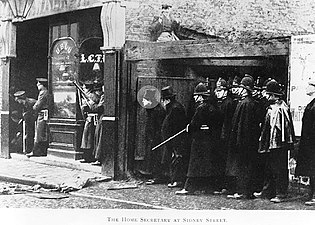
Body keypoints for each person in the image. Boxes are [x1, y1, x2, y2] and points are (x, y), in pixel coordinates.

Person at [176, 83, 223, 195]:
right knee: (207, 165)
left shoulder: (201, 108)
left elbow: (194, 124)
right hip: (210, 140)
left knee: (194, 166)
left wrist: (189, 127)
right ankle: (208, 188)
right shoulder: (215, 107)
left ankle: (189, 188)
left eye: (196, 95)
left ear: (201, 96)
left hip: (199, 141)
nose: (195, 98)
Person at [257, 79, 295, 203]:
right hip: (271, 143)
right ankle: (267, 191)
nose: (266, 96)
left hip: (279, 144)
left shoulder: (281, 108)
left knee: (279, 168)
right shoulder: (271, 107)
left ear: (274, 95)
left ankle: (281, 193)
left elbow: (284, 129)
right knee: (269, 167)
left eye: (268, 94)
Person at [226, 74, 261, 199]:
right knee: (248, 166)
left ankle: (243, 191)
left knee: (243, 167)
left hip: (243, 142)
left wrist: (238, 141)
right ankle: (247, 191)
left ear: (245, 90)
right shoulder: (252, 103)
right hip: (250, 142)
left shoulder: (245, 104)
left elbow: (243, 126)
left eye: (241, 87)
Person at [160, 86, 187, 188]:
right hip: (172, 139)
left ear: (166, 100)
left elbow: (176, 126)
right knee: (173, 158)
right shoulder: (171, 107)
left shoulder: (175, 108)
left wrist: (171, 138)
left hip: (177, 139)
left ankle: (177, 180)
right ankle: (174, 179)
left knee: (177, 158)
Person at [295, 78, 315, 206]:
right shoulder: (311, 104)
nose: (307, 88)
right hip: (310, 143)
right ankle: (312, 193)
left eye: (310, 85)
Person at [214, 78, 235, 195]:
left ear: (226, 91)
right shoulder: (221, 102)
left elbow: (226, 122)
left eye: (220, 89)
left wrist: (223, 136)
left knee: (225, 162)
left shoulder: (228, 103)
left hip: (225, 137)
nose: (217, 92)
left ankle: (226, 186)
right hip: (221, 136)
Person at [141, 89, 167, 184]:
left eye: (145, 99)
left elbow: (160, 127)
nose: (143, 102)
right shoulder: (152, 110)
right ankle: (154, 175)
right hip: (152, 137)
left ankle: (157, 177)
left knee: (157, 157)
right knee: (153, 157)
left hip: (157, 139)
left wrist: (155, 138)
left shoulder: (157, 111)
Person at [80, 80, 103, 162]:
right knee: (88, 139)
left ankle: (89, 157)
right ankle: (87, 156)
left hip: (92, 119)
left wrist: (89, 103)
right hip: (90, 118)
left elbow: (95, 107)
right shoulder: (90, 95)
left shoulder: (92, 96)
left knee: (89, 139)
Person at [26, 78, 49, 157]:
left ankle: (36, 151)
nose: (37, 85)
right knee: (43, 133)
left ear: (42, 85)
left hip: (42, 114)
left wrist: (33, 107)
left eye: (39, 84)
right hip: (45, 113)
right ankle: (42, 151)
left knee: (39, 132)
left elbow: (38, 105)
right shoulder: (46, 92)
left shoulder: (43, 92)